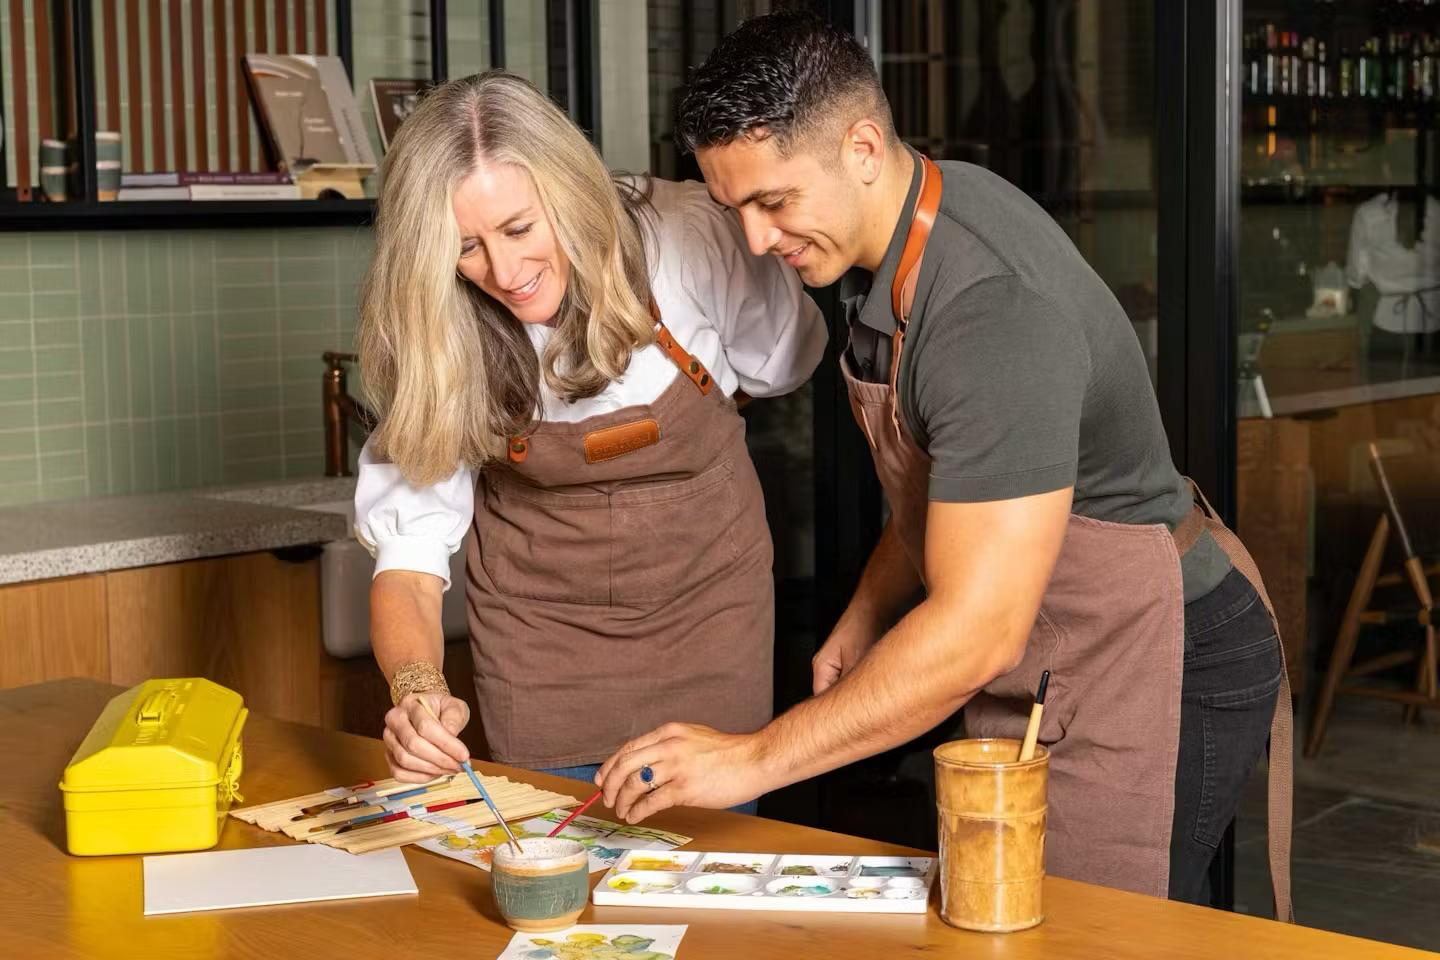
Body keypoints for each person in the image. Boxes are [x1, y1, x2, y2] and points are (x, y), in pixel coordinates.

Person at [595, 13, 1293, 915]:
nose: (758, 241)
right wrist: (870, 607)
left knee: (1094, 933)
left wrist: (751, 757)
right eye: (736, 211)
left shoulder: (990, 311)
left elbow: (975, 630)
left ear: (860, 146)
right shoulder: (911, 226)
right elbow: (947, 483)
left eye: (774, 202)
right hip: (1056, 650)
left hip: (1161, 656)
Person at [353, 71, 826, 803]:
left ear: (569, 191)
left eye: (518, 228)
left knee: (715, 880)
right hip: (540, 651)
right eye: (466, 247)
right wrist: (417, 690)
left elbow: (785, 363)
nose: (505, 273)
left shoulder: (690, 237)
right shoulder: (438, 326)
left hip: (711, 622)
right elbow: (410, 561)